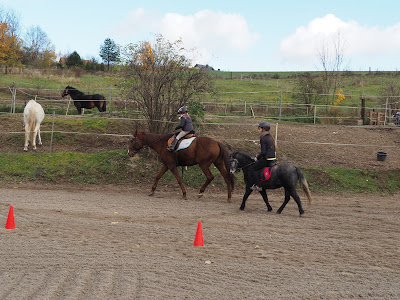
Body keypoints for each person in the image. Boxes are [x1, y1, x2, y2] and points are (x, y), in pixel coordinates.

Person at [248, 121, 277, 191]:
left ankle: (258, 185)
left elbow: (263, 152)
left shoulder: (263, 138)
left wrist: (257, 157)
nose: (258, 130)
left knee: (252, 169)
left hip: (267, 159)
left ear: (263, 129)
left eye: (259, 129)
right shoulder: (270, 137)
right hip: (273, 158)